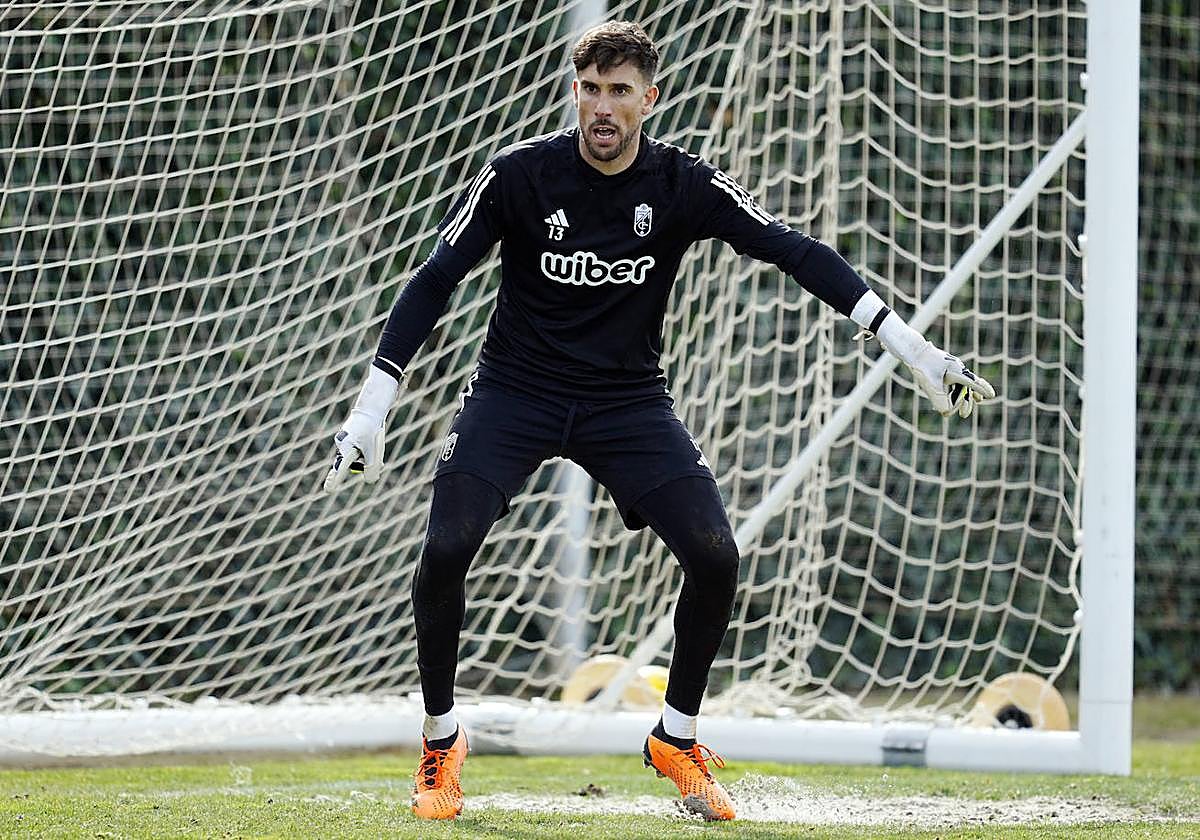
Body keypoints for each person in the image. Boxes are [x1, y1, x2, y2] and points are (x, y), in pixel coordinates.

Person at [322, 21, 994, 822]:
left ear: (651, 97)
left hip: (627, 403)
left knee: (715, 557)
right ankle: (440, 742)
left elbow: (796, 250)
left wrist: (910, 348)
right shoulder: (519, 177)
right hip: (515, 391)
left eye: (620, 91)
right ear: (575, 92)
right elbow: (435, 280)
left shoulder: (682, 186)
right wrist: (372, 407)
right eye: (591, 89)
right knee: (444, 550)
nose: (603, 107)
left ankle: (675, 738)